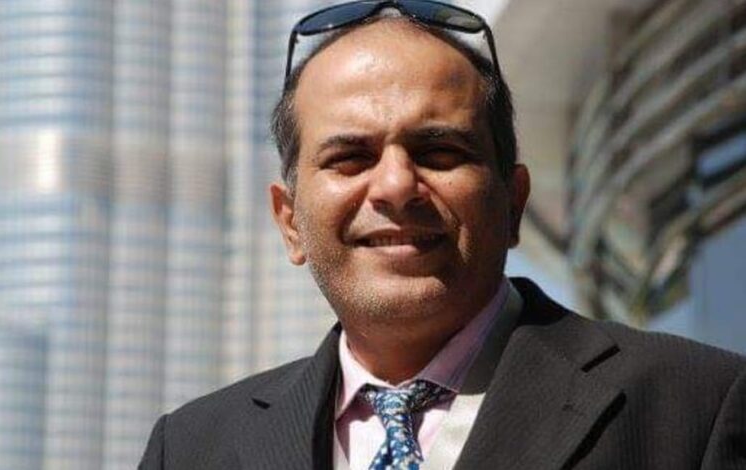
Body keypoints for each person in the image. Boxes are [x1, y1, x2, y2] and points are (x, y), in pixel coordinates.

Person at [139, 2, 746, 469]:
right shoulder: (191, 448)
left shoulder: (696, 406)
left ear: (513, 202)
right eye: (350, 158)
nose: (395, 186)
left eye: (439, 151)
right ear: (290, 221)